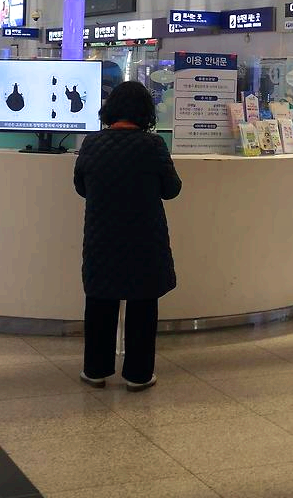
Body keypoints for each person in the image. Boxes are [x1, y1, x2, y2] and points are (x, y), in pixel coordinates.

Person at [73, 81, 181, 391]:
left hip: (102, 237)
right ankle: (138, 375)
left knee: (100, 302)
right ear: (145, 112)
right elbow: (172, 189)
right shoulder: (153, 145)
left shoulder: (92, 143)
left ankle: (95, 370)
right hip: (144, 239)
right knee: (142, 304)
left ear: (110, 110)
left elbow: (81, 187)